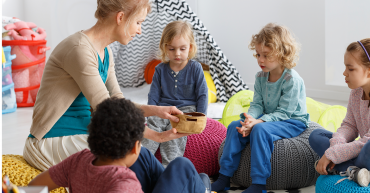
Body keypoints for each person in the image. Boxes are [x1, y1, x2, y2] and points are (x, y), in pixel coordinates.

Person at [22, 1, 194, 192]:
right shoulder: (79, 49)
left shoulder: (106, 52)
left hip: (83, 134)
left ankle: (188, 181)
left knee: (141, 156)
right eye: (138, 22)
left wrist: (158, 111)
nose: (140, 31)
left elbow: (119, 105)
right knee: (126, 157)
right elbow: (110, 111)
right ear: (120, 18)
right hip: (52, 140)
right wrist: (158, 136)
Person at [28, 98, 211, 193]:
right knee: (182, 166)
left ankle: (199, 182)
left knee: (145, 157)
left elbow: (34, 187)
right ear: (133, 147)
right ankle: (201, 187)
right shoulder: (125, 185)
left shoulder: (78, 160)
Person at [211, 23, 310, 193]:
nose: (260, 60)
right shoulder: (261, 76)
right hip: (268, 117)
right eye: (258, 54)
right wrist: (250, 119)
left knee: (260, 130)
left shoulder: (291, 79)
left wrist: (258, 122)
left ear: (282, 54)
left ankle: (259, 184)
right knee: (235, 126)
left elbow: (284, 112)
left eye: (266, 55)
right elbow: (257, 104)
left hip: (292, 121)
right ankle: (224, 177)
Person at [141, 20, 208, 167]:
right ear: (165, 48)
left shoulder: (195, 68)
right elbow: (153, 95)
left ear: (190, 48)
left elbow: (202, 94)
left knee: (175, 134)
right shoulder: (160, 69)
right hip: (163, 109)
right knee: (152, 127)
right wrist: (153, 111)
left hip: (185, 111)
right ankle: (142, 163)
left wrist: (201, 117)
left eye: (182, 49)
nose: (177, 53)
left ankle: (168, 169)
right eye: (172, 49)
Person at [309, 38, 370, 187]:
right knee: (316, 135)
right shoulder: (356, 93)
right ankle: (355, 172)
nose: (344, 73)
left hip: (366, 150)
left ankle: (342, 168)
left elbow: (365, 142)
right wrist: (336, 146)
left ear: (368, 71)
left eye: (350, 69)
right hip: (360, 154)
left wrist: (334, 154)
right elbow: (349, 125)